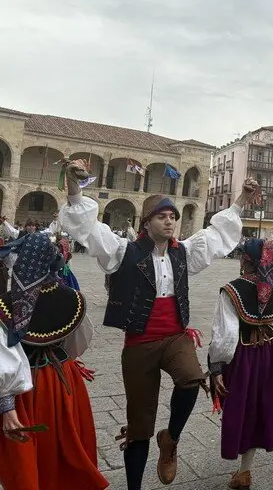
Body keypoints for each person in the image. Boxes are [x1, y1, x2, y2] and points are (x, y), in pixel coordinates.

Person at [58, 159, 257, 490]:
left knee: (192, 379)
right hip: (139, 344)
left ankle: (172, 439)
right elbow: (90, 230)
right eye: (162, 217)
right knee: (139, 428)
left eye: (173, 218)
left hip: (176, 336)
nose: (170, 222)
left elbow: (215, 234)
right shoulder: (124, 251)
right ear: (146, 223)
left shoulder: (184, 252)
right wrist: (75, 186)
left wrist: (240, 201)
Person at [0, 233, 107, 490]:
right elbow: (78, 344)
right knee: (65, 441)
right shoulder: (73, 298)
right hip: (63, 380)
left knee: (29, 454)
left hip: (24, 390)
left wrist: (5, 403)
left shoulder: (5, 304)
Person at [208, 238, 273, 490]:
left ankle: (243, 468)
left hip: (243, 355)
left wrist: (216, 367)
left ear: (247, 259)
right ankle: (245, 470)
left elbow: (225, 335)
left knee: (242, 407)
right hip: (271, 351)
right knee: (259, 407)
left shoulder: (232, 290)